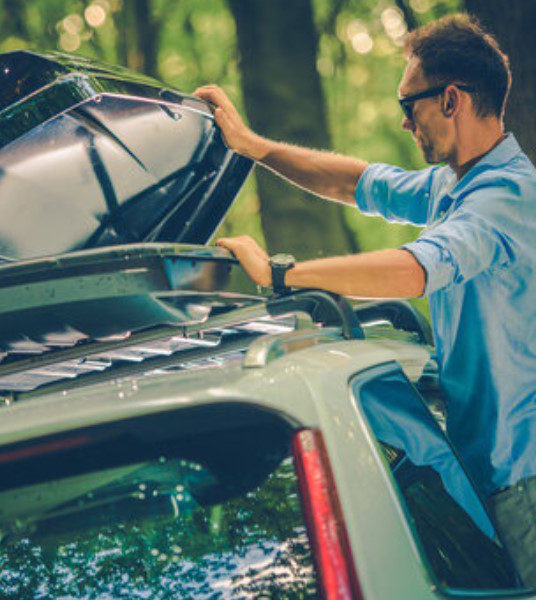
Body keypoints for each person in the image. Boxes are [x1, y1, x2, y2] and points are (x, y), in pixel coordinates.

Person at [195, 14, 536, 585]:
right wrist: (256, 149)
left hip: (523, 488)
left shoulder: (507, 197)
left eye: (410, 106)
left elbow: (413, 271)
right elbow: (352, 183)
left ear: (451, 99)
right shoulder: (454, 185)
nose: (405, 123)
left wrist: (281, 275)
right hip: (492, 482)